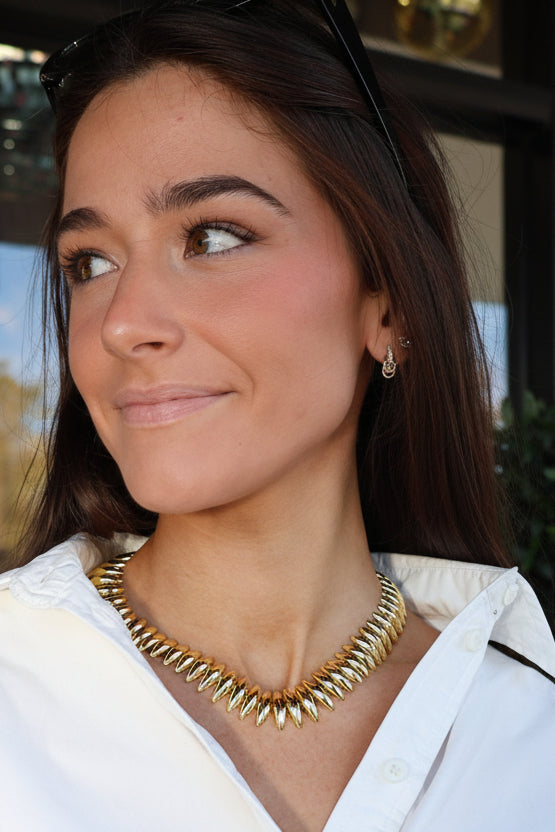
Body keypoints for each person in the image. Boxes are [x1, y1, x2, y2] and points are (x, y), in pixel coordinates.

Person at [1, 1, 553, 830]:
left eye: (214, 237)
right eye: (91, 262)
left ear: (389, 305)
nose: (121, 321)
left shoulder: (526, 724)